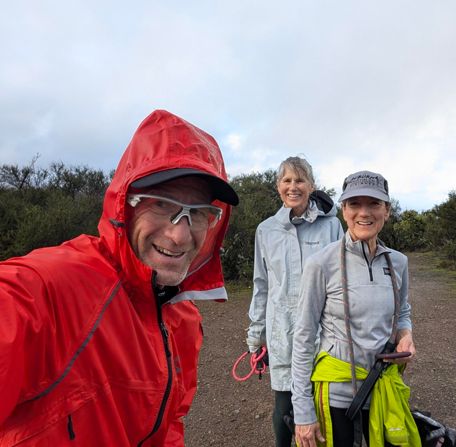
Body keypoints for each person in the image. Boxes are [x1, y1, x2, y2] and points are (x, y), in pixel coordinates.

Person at [0, 109, 239, 446]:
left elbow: (170, 422)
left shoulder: (182, 317)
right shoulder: (48, 289)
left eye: (198, 213)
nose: (179, 236)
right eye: (160, 204)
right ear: (125, 205)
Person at [291, 170, 419, 447]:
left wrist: (406, 335)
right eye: (354, 204)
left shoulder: (398, 262)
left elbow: (402, 312)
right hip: (336, 395)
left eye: (374, 204)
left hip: (383, 388)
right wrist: (302, 411)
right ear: (343, 210)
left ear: (387, 210)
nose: (364, 213)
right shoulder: (321, 264)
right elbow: (303, 336)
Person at [246, 156, 343, 447]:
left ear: (311, 185)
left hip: (324, 328)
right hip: (282, 329)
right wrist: (256, 337)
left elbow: (342, 280)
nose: (293, 186)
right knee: (284, 401)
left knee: (324, 400)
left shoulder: (331, 226)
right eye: (287, 180)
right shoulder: (266, 230)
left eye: (300, 180)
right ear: (278, 186)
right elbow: (261, 284)